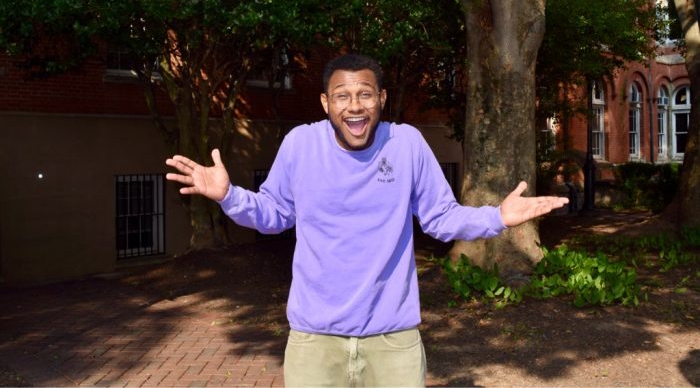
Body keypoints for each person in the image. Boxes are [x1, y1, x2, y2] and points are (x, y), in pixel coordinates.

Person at [165, 53, 568, 387]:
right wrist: (229, 196)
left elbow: (441, 218)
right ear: (325, 103)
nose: (354, 106)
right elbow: (274, 215)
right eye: (342, 96)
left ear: (382, 98)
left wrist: (497, 217)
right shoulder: (301, 145)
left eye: (365, 94)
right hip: (315, 341)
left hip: (393, 341)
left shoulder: (406, 143)